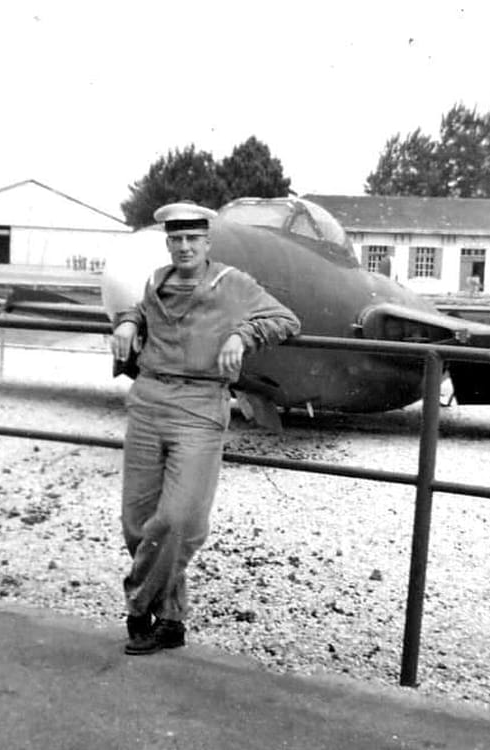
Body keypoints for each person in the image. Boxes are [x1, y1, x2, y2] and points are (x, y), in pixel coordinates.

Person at [111, 201, 300, 655]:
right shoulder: (157, 281)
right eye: (176, 239)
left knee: (179, 520)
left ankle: (139, 604)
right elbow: (143, 309)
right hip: (148, 402)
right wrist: (129, 321)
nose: (184, 247)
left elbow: (286, 320)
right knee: (136, 523)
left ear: (207, 242)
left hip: (199, 408)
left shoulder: (233, 283)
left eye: (193, 238)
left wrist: (242, 335)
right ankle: (170, 621)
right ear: (168, 243)